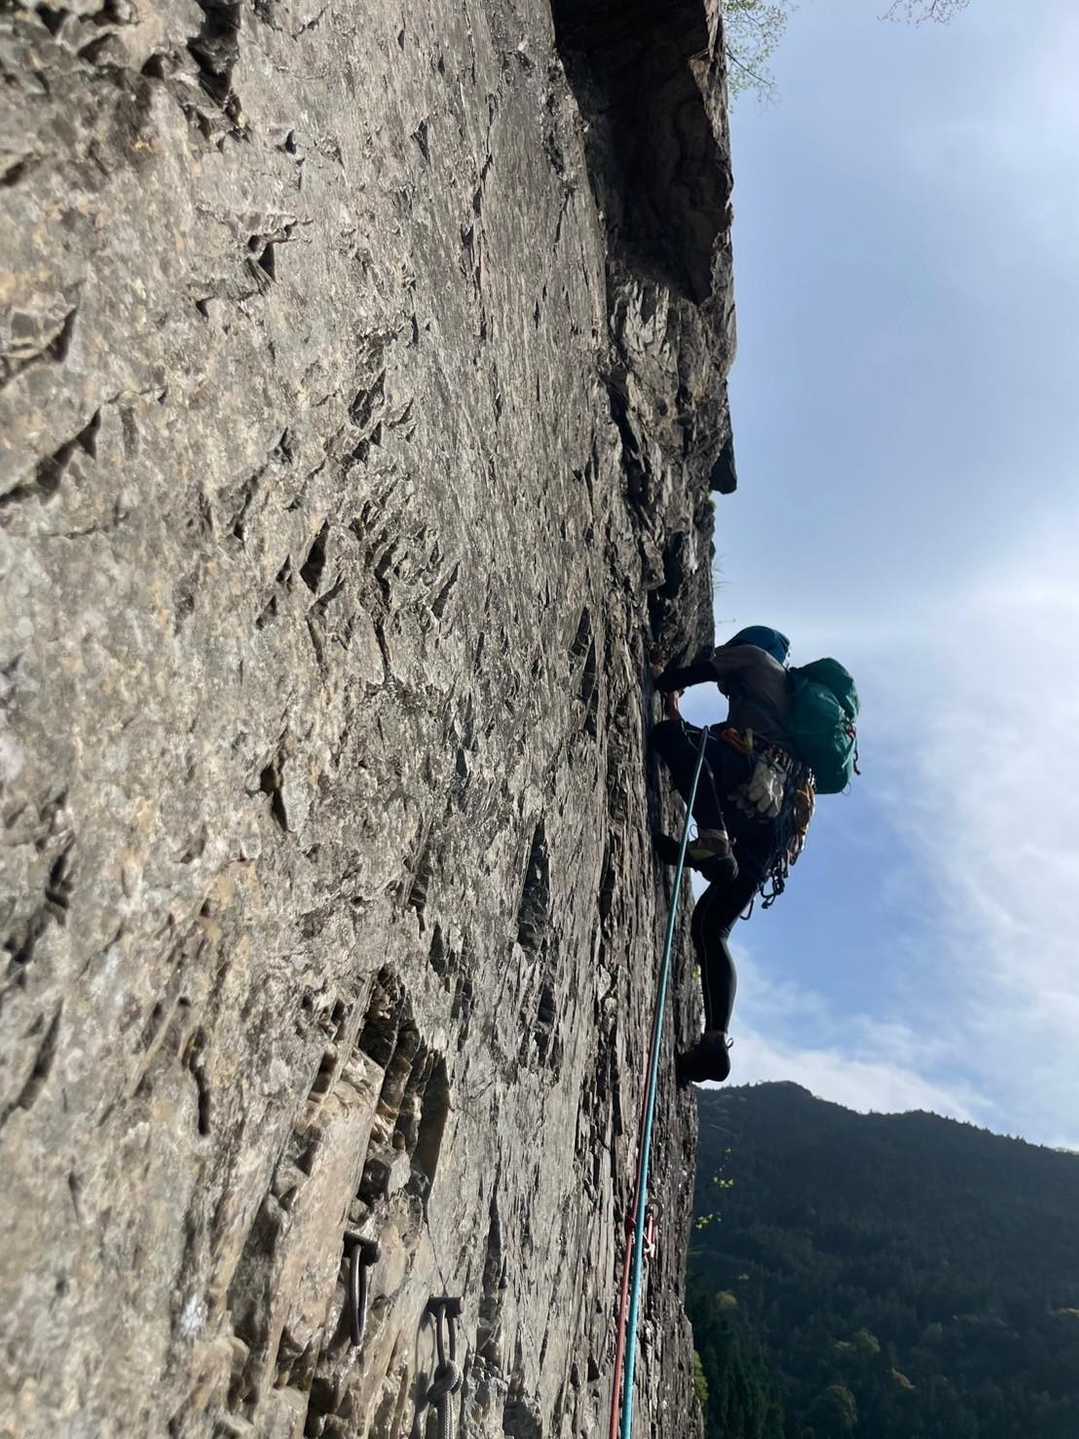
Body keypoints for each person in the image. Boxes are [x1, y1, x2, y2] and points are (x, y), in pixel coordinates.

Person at [651, 626, 812, 1085]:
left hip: (747, 777)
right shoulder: (785, 712)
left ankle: (712, 838)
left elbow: (679, 678)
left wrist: (665, 681)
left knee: (668, 736)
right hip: (774, 825)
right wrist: (679, 853)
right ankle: (714, 1041)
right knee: (711, 926)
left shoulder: (754, 658)